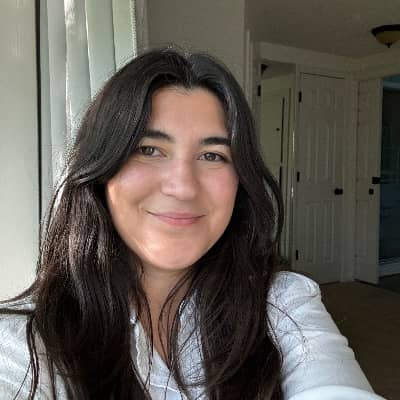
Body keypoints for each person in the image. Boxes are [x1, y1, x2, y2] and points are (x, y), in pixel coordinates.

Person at [0, 48, 385, 400]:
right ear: (101, 170)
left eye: (213, 155)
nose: (183, 187)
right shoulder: (23, 344)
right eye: (149, 149)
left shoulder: (282, 303)